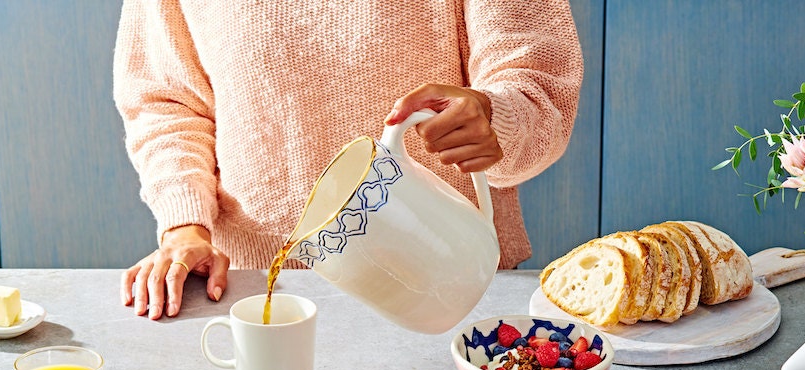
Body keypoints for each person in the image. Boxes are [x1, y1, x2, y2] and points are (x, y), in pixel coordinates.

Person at [115, 1, 584, 319]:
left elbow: (538, 83)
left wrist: (495, 120)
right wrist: (185, 224)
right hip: (253, 291)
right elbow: (167, 101)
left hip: (450, 283)